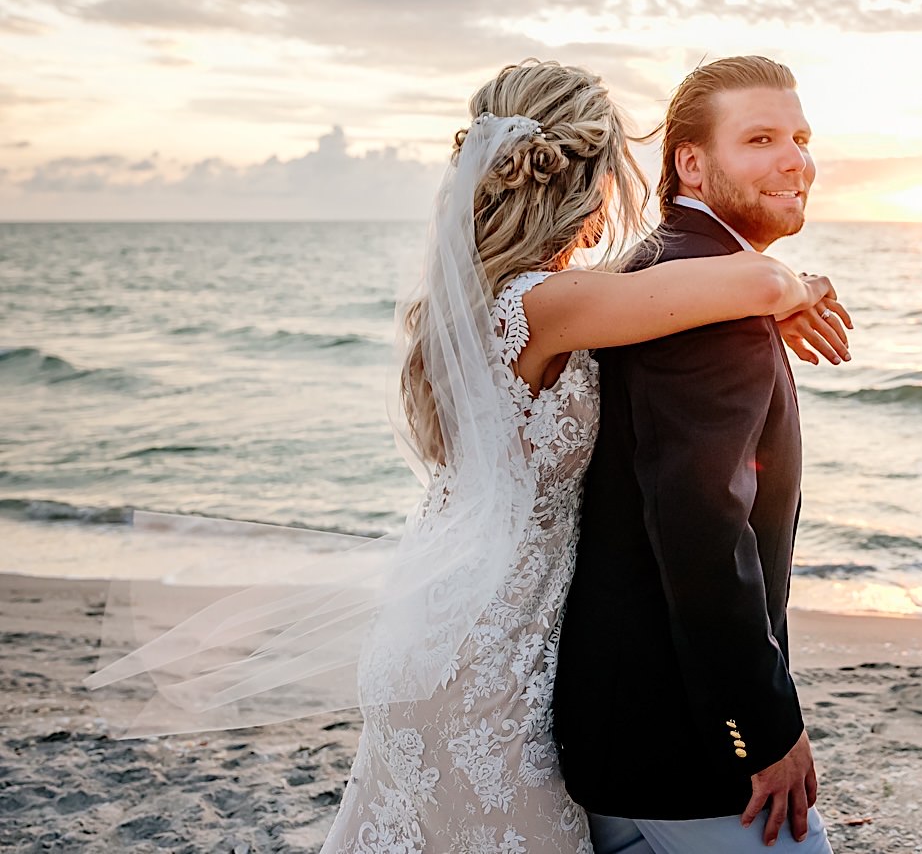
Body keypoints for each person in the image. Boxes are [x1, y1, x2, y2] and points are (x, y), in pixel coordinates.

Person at [83, 60, 851, 854]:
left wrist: (773, 293)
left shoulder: (495, 301)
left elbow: (667, 290)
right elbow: (752, 284)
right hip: (491, 650)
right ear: (584, 183)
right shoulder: (548, 306)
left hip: (440, 623)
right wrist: (789, 288)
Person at [554, 56, 837, 852]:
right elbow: (702, 533)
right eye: (760, 138)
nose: (795, 159)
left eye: (801, 137)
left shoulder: (652, 272)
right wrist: (763, 730)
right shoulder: (714, 299)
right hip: (682, 744)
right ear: (691, 162)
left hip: (615, 724)